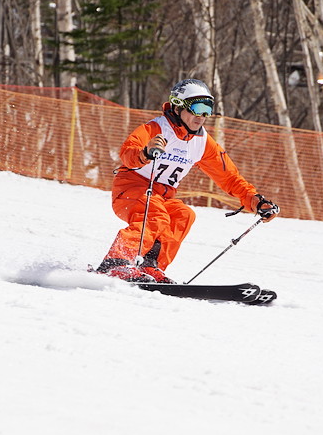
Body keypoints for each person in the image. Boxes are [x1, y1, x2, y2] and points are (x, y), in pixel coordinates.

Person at [95, 79, 279, 283]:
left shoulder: (202, 143)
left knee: (183, 215)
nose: (202, 116)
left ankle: (150, 265)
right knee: (156, 215)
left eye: (208, 109)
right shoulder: (157, 129)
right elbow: (127, 152)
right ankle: (115, 263)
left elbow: (229, 177)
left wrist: (255, 201)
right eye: (198, 108)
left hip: (162, 196)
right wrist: (145, 153)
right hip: (131, 189)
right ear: (177, 106)